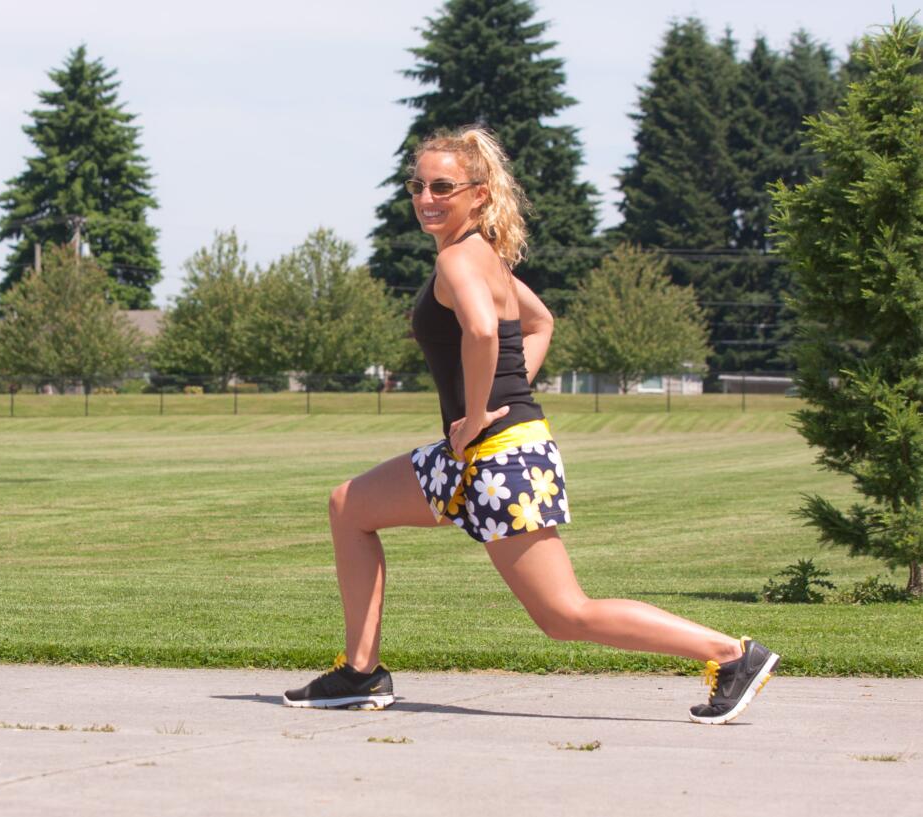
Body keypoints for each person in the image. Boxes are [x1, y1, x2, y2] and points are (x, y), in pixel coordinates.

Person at [282, 126, 779, 725]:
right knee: (349, 505)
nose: (425, 197)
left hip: (498, 457)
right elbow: (540, 324)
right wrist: (500, 400)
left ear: (480, 194)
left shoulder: (458, 259)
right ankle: (361, 672)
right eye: (417, 185)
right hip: (485, 450)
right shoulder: (484, 258)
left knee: (563, 614)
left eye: (442, 186)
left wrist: (474, 414)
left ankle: (732, 653)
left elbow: (486, 333)